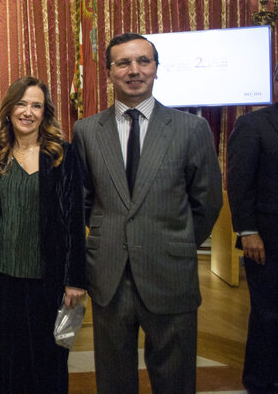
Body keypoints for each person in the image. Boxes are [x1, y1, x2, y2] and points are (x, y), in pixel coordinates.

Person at [72, 33, 223, 394]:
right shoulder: (87, 131)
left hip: (170, 271)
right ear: (109, 72)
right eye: (123, 63)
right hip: (109, 275)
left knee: (175, 375)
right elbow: (83, 201)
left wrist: (176, 243)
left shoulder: (191, 129)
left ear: (156, 69)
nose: (134, 70)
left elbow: (207, 201)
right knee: (113, 377)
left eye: (143, 61)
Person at [0, 77, 87, 393]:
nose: (27, 112)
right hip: (5, 281)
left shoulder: (61, 155)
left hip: (49, 281)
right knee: (9, 361)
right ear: (9, 109)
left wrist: (75, 279)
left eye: (36, 105)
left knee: (49, 361)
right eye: (21, 103)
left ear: (45, 112)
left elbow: (74, 221)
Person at [227, 63, 278, 394]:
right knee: (268, 315)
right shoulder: (253, 125)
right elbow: (238, 183)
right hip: (267, 240)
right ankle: (259, 382)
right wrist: (247, 231)